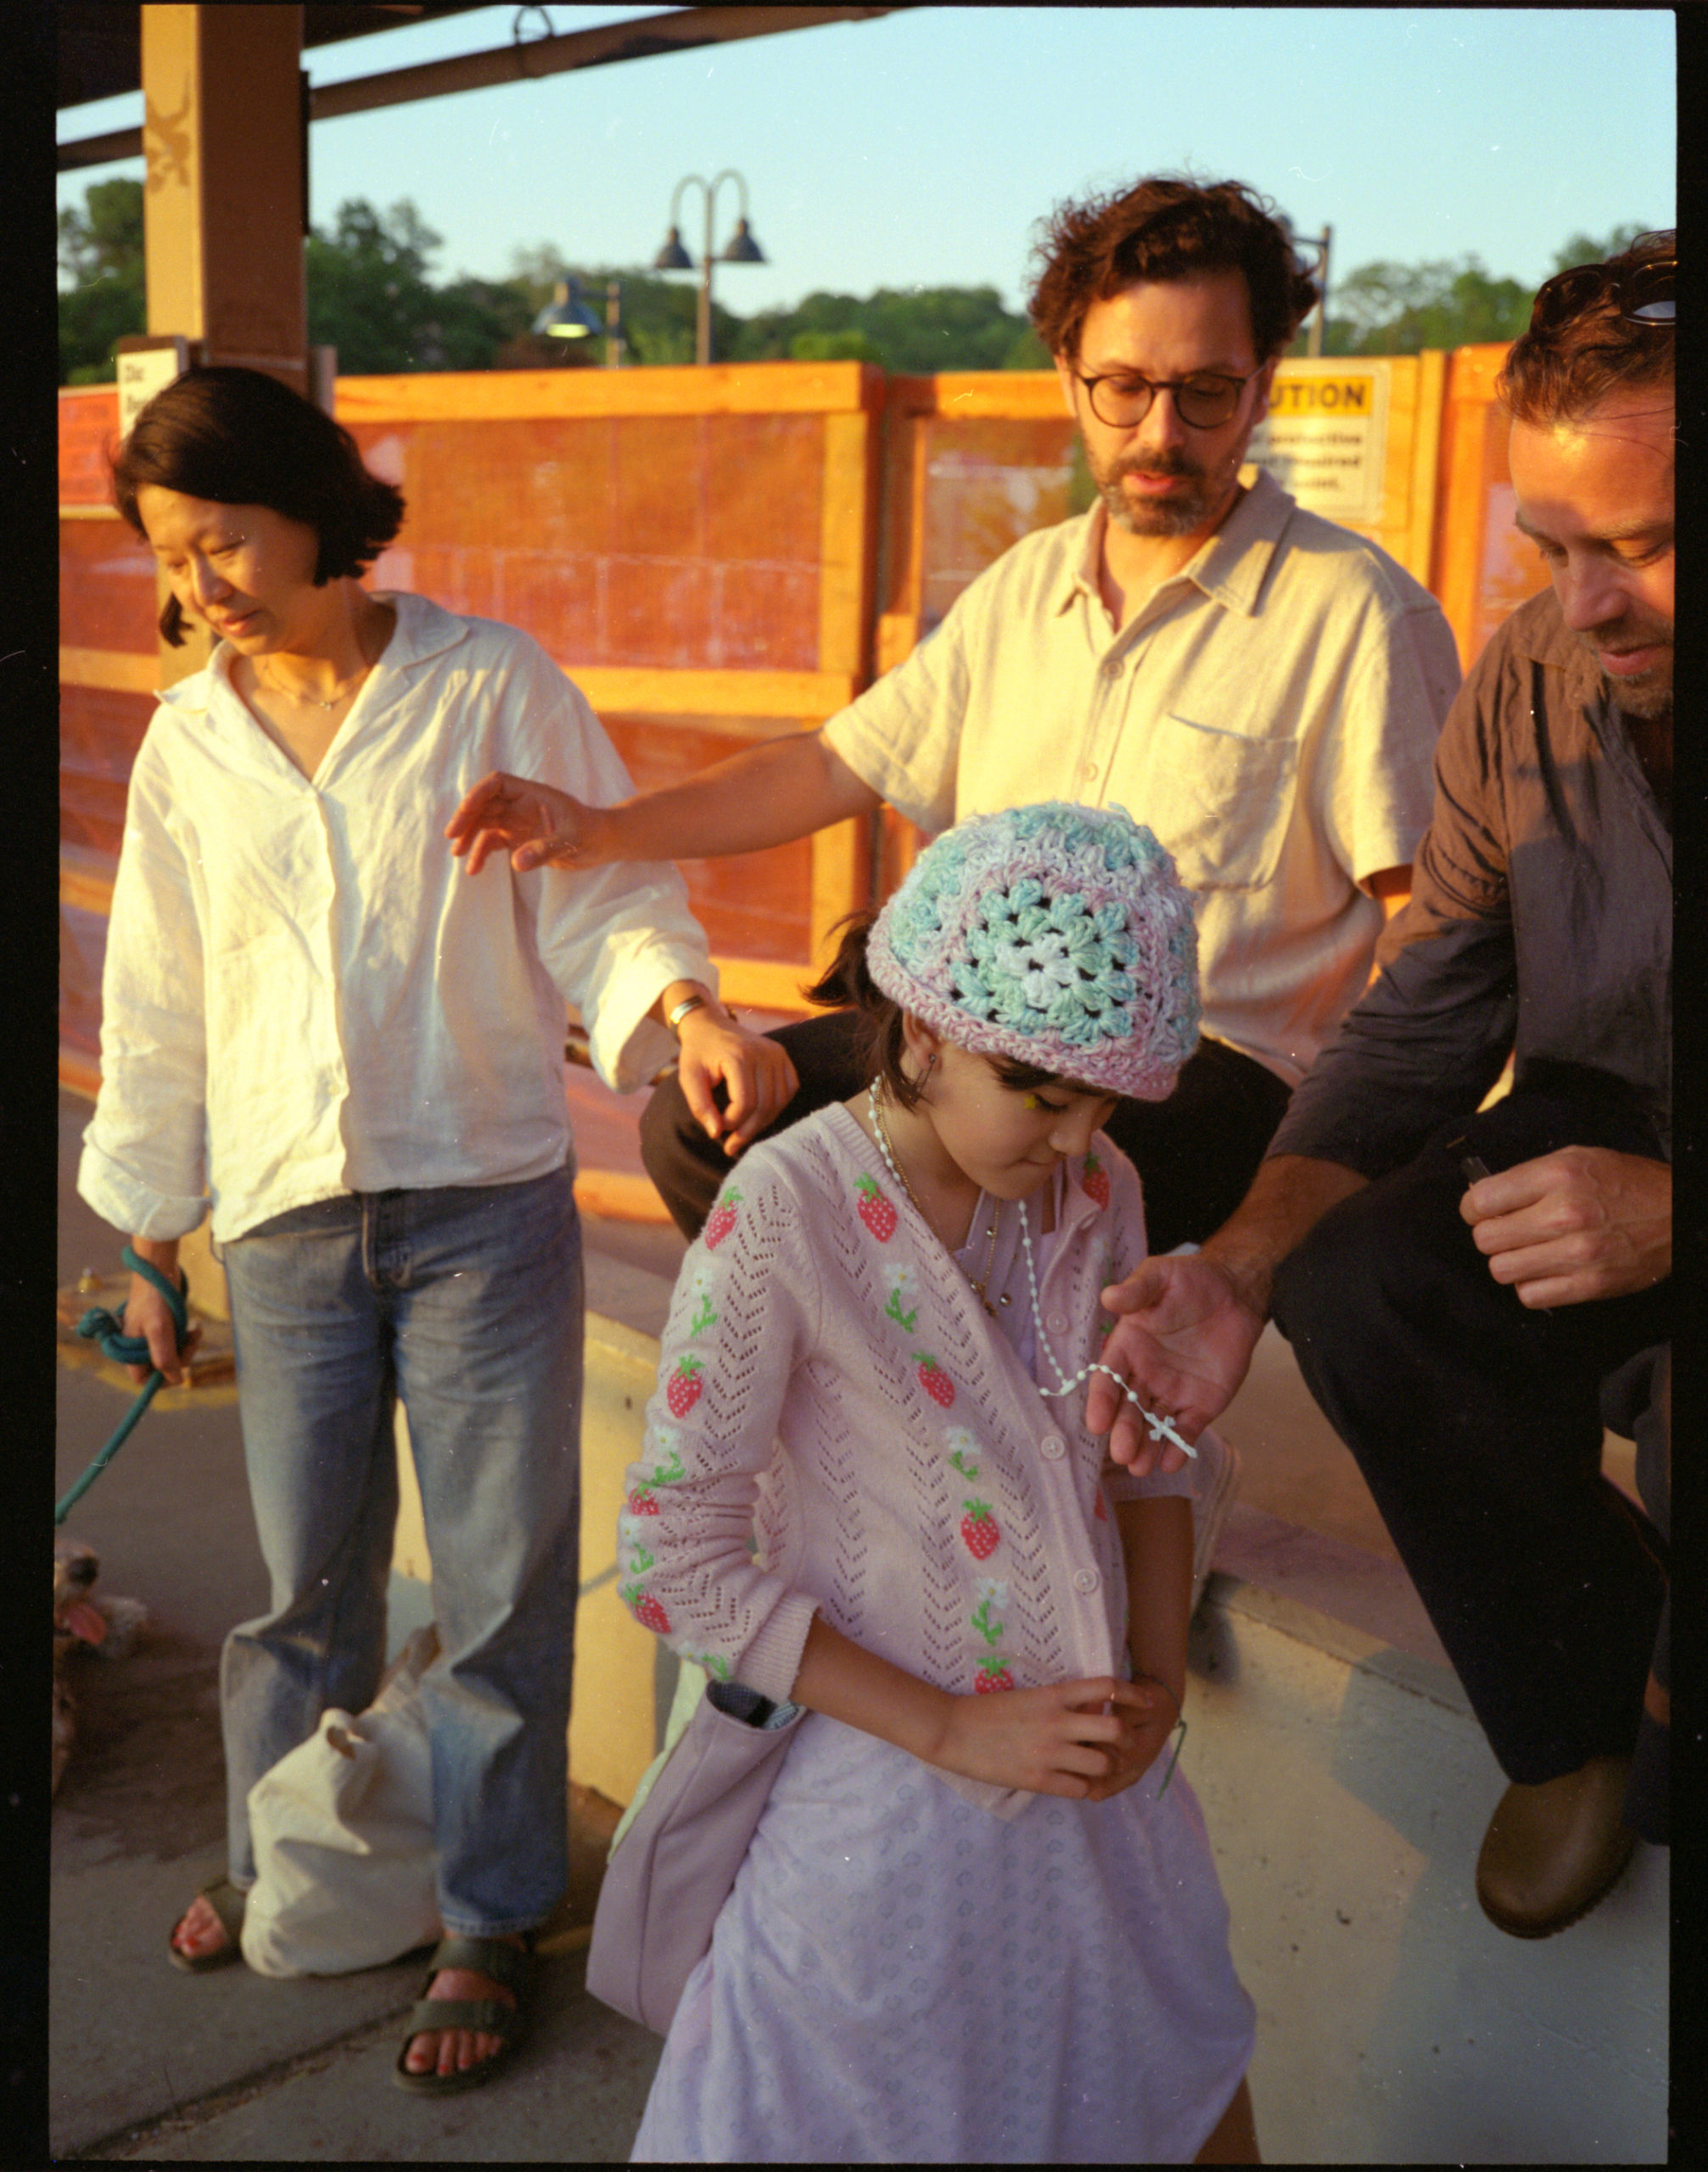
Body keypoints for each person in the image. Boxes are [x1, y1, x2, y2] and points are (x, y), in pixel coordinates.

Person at [78, 365, 795, 2092]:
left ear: (312, 513)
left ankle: (489, 1906)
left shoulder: (488, 684)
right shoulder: (189, 742)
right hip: (283, 1220)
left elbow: (602, 887)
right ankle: (287, 1859)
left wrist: (684, 1007)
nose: (200, 585)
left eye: (224, 540)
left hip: (481, 1200)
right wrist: (153, 1234)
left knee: (498, 1582)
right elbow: (161, 996)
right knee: (301, 1588)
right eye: (171, 557)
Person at [445, 174, 1463, 1262]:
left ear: (1263, 384)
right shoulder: (1024, 588)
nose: (1163, 432)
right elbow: (832, 765)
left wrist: (1331, 1166)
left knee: (974, 1176)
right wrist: (601, 827)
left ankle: (924, 1359)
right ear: (1068, 376)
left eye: (1206, 390)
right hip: (977, 1033)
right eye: (1125, 387)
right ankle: (903, 1364)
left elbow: (1431, 924)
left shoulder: (1356, 611)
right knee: (707, 1131)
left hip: (1200, 1073)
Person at [1085, 232, 1675, 1940]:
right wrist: (1236, 1270)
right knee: (1361, 1276)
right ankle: (1571, 1706)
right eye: (1550, 545)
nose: (1582, 603)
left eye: (1640, 545)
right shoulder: (1531, 676)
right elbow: (1421, 1016)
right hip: (1605, 1130)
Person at [613, 801, 1259, 2164]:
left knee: (1167, 2082)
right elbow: (675, 1556)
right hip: (881, 1803)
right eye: (1044, 1094)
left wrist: (1153, 1682)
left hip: (1097, 1787)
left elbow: (1141, 1448)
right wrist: (955, 1732)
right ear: (920, 1035)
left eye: (1106, 1103)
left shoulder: (1099, 1189)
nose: (1076, 1139)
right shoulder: (782, 1208)